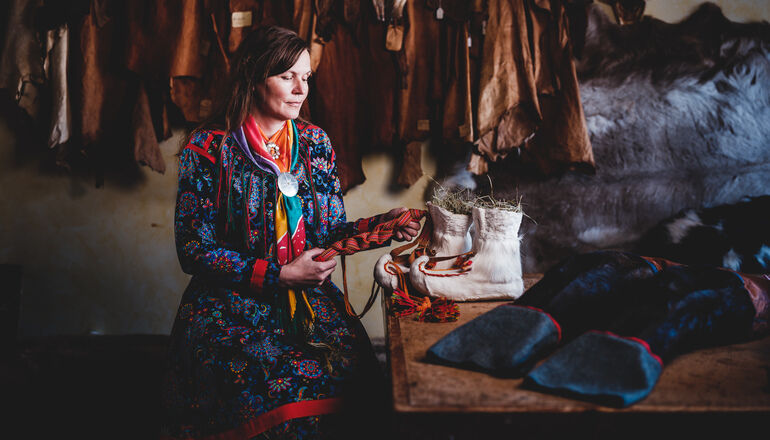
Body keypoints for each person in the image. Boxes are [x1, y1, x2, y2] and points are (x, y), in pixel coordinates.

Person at [161, 26, 420, 439]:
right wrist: (280, 275)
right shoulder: (207, 148)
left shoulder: (315, 142)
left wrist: (383, 226)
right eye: (287, 77)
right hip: (229, 303)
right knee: (261, 379)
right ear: (253, 77)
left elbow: (331, 230)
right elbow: (194, 251)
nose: (301, 89)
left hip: (308, 299)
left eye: (307, 78)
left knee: (353, 370)